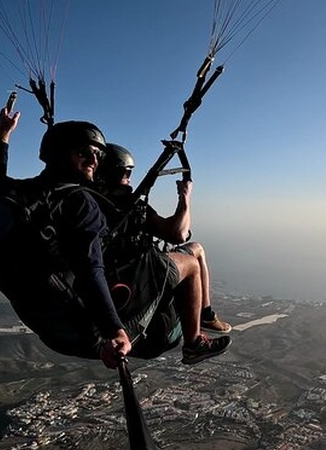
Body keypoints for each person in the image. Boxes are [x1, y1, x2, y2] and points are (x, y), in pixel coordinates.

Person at [0, 107, 230, 369]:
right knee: (190, 262)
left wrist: (3, 135)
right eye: (84, 152)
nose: (93, 159)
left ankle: (202, 320)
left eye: (97, 154)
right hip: (91, 322)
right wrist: (115, 331)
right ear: (60, 153)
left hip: (51, 326)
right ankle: (194, 343)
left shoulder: (22, 193)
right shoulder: (80, 203)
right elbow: (90, 270)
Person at [97, 143, 232, 334]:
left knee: (196, 248)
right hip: (138, 275)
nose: (128, 179)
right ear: (113, 173)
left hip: (115, 276)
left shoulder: (88, 203)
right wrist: (184, 197)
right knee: (194, 259)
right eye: (125, 173)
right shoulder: (127, 206)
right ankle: (197, 336)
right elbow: (177, 234)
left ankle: (206, 315)